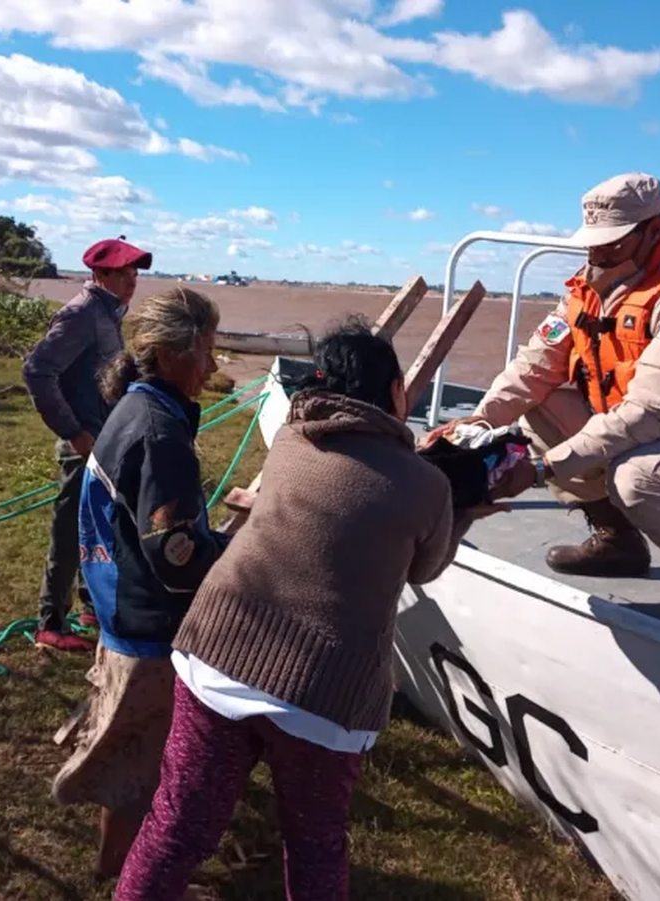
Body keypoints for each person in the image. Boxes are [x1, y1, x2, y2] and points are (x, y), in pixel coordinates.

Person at [111, 316, 515, 901]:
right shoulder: (427, 487)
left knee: (178, 826)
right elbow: (423, 568)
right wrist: (467, 508)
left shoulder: (290, 441)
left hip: (217, 656)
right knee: (314, 845)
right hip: (324, 691)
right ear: (396, 391)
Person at [424, 172, 660, 625]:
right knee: (539, 405)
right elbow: (533, 367)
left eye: (612, 243)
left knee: (639, 477)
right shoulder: (594, 285)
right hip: (654, 432)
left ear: (654, 229)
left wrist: (541, 470)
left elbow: (647, 413)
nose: (597, 254)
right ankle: (618, 541)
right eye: (592, 243)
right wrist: (479, 422)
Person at [51, 286, 229, 886]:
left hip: (119, 606)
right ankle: (129, 878)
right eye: (206, 350)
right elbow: (176, 555)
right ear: (172, 353)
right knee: (144, 770)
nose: (212, 366)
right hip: (150, 626)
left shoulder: (132, 406)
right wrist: (235, 551)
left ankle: (114, 869)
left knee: (130, 756)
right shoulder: (160, 433)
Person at [21, 236, 152, 653]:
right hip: (84, 444)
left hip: (104, 440)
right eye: (124, 272)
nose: (132, 280)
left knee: (96, 526)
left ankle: (89, 606)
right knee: (68, 532)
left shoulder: (108, 312)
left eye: (134, 273)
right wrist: (74, 432)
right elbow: (38, 371)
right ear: (100, 274)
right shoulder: (81, 314)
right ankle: (50, 624)